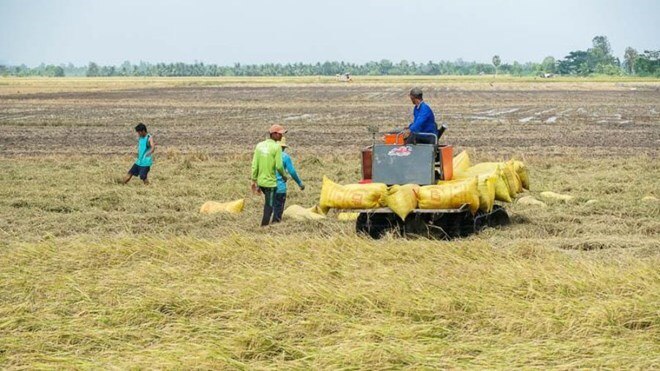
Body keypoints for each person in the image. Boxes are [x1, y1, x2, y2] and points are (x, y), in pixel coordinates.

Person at [251, 124, 288, 226]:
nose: (282, 136)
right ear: (274, 134)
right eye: (280, 134)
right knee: (269, 206)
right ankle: (264, 227)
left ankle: (267, 224)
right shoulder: (276, 147)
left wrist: (254, 180)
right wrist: (284, 176)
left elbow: (255, 164)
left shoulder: (259, 145)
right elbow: (279, 166)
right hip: (270, 183)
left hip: (261, 181)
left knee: (269, 201)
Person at [272, 137, 305, 223]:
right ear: (283, 147)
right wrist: (300, 183)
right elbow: (292, 172)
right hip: (280, 188)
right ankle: (274, 226)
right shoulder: (285, 157)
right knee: (278, 210)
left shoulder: (268, 156)